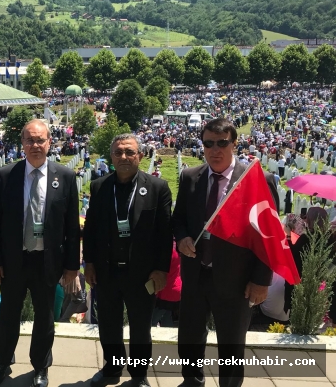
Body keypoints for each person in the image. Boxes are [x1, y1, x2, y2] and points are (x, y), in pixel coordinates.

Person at [172, 117, 277, 387]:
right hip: (196, 274)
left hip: (237, 280)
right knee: (190, 338)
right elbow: (179, 218)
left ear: (234, 144)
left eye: (222, 143)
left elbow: (269, 235)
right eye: (208, 143)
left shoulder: (256, 180)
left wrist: (261, 280)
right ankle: (192, 381)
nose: (215, 150)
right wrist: (182, 237)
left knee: (231, 344)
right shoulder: (190, 176)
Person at [0, 119, 80, 387]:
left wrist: (72, 266)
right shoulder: (7, 175)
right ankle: (3, 361)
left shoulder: (65, 176)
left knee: (45, 317)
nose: (35, 145)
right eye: (30, 140)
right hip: (15, 260)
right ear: (22, 144)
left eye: (40, 140)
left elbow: (72, 226)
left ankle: (40, 365)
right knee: (8, 315)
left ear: (50, 142)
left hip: (47, 261)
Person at [83, 134, 173, 387]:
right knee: (109, 325)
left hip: (142, 273)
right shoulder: (99, 186)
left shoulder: (157, 188)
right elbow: (90, 229)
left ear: (140, 156)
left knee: (140, 328)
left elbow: (165, 234)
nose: (123, 157)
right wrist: (89, 263)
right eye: (118, 152)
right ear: (111, 156)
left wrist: (161, 269)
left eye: (129, 152)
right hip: (107, 270)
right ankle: (112, 369)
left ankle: (139, 375)